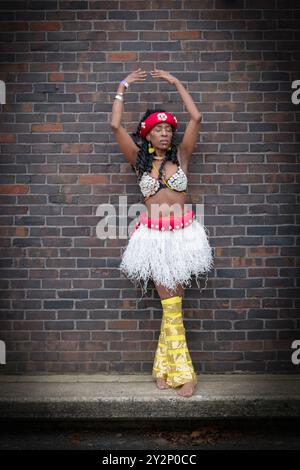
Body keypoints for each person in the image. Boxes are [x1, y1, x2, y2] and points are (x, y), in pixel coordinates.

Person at [111, 67, 214, 398]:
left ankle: (165, 368)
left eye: (169, 129)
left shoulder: (182, 157)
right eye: (159, 130)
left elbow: (196, 118)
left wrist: (177, 83)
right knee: (171, 305)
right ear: (147, 136)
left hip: (183, 235)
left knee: (173, 304)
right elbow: (115, 125)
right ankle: (182, 372)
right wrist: (122, 86)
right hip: (154, 238)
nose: (166, 134)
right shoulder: (139, 163)